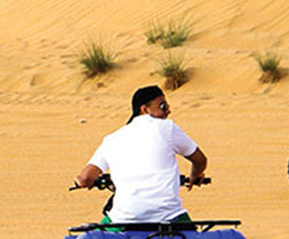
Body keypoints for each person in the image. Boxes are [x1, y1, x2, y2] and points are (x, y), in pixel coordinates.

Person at [74, 85, 207, 223]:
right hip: (169, 217)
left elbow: (84, 178)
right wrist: (195, 175)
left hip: (124, 220)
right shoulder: (166, 127)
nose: (168, 111)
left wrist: (83, 183)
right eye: (162, 106)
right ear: (145, 110)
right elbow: (200, 160)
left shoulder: (111, 139)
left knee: (96, 236)